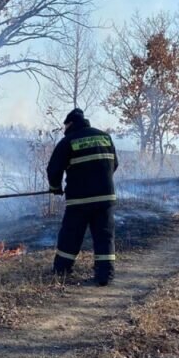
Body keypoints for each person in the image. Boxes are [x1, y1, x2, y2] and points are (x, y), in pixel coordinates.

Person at [47, 107, 118, 286]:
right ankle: (105, 276)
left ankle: (62, 270)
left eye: (65, 126)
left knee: (71, 235)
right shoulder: (105, 137)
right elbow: (114, 164)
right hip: (105, 199)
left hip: (80, 200)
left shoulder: (68, 141)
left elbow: (53, 169)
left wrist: (55, 187)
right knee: (104, 237)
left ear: (70, 123)